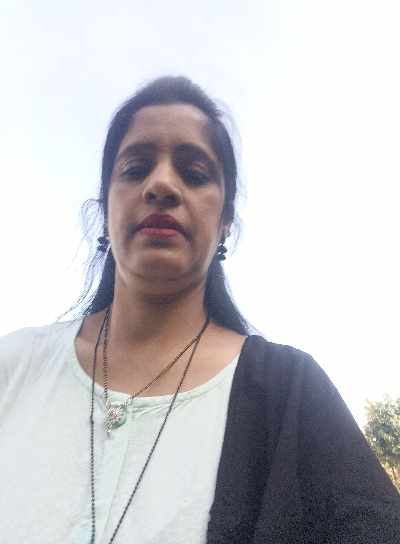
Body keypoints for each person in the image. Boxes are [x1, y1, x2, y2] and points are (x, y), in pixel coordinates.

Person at [0, 76, 399, 544]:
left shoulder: (290, 393)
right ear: (106, 209)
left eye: (194, 173)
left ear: (225, 220)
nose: (161, 184)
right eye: (135, 168)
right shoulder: (15, 366)